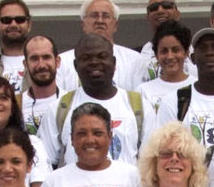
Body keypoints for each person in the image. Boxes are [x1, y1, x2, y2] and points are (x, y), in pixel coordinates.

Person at [39, 34, 144, 168]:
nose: (94, 62)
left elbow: (152, 161)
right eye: (86, 58)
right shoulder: (59, 109)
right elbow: (45, 164)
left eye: (102, 56)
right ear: (76, 66)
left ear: (114, 63)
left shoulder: (139, 106)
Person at [56, 0, 143, 92]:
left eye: (105, 16)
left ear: (115, 25)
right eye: (94, 15)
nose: (100, 21)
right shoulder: (63, 62)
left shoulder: (134, 59)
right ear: (83, 24)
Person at [136, 21, 196, 114]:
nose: (170, 56)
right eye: (164, 51)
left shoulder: (197, 87)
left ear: (186, 52)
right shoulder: (143, 91)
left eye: (176, 50)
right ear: (156, 55)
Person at [137, 0, 197, 84]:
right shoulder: (137, 56)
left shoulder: (198, 52)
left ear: (177, 14)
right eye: (154, 8)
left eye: (166, 6)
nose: (160, 10)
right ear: (147, 17)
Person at [21, 35, 65, 135]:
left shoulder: (71, 102)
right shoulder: (15, 105)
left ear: (57, 62)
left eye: (46, 57)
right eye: (34, 59)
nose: (41, 65)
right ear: (25, 65)